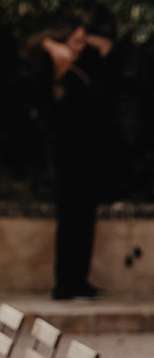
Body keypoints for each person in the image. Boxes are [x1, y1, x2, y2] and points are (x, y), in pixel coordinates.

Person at [29, 22, 114, 300]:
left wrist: (82, 39)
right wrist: (56, 43)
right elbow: (45, 46)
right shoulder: (59, 68)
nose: (81, 47)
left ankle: (79, 279)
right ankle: (64, 283)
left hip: (88, 155)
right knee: (70, 220)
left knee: (85, 219)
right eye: (76, 41)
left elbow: (106, 46)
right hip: (68, 156)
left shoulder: (80, 67)